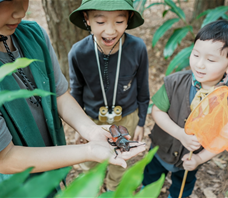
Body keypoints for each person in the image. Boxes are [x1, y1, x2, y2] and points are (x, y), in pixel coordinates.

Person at [0, 0, 145, 193]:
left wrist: (91, 131)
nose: (21, 11)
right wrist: (88, 151)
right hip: (20, 187)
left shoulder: (32, 34)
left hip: (53, 160)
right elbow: (2, 157)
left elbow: (59, 94)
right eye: (9, 0)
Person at [142, 20, 228, 198]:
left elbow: (225, 138)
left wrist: (200, 158)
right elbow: (157, 111)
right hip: (160, 149)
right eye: (195, 55)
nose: (199, 64)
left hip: (190, 159)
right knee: (151, 177)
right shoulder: (175, 82)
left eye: (210, 60)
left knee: (182, 187)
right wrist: (180, 134)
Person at [68, 0, 150, 191]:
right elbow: (76, 91)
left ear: (129, 19)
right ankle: (93, 189)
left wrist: (141, 121)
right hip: (91, 119)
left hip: (127, 117)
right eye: (101, 22)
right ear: (86, 19)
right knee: (89, 162)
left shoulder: (137, 48)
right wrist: (79, 126)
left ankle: (114, 189)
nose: (110, 31)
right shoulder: (78, 52)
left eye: (119, 21)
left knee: (121, 159)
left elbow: (143, 88)